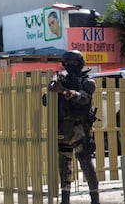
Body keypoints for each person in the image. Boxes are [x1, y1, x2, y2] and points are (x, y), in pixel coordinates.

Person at [48, 50, 99, 204]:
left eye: (73, 63)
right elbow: (47, 101)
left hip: (79, 128)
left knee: (85, 163)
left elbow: (83, 98)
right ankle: (65, 200)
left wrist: (63, 91)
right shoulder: (61, 78)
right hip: (63, 127)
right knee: (64, 166)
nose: (70, 67)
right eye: (67, 64)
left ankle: (95, 198)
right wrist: (51, 91)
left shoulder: (87, 80)